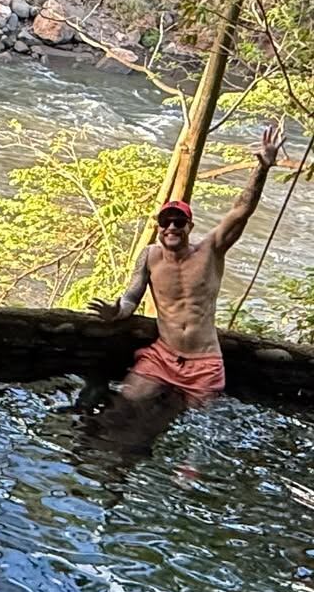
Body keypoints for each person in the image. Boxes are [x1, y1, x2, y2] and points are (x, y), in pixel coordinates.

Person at [88, 124, 283, 408]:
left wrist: (262, 168)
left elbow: (241, 211)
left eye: (179, 222)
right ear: (158, 227)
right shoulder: (150, 256)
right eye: (165, 222)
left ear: (189, 226)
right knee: (125, 404)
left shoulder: (210, 251)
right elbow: (132, 296)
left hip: (204, 362)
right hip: (163, 355)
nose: (171, 227)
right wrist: (116, 312)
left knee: (196, 438)